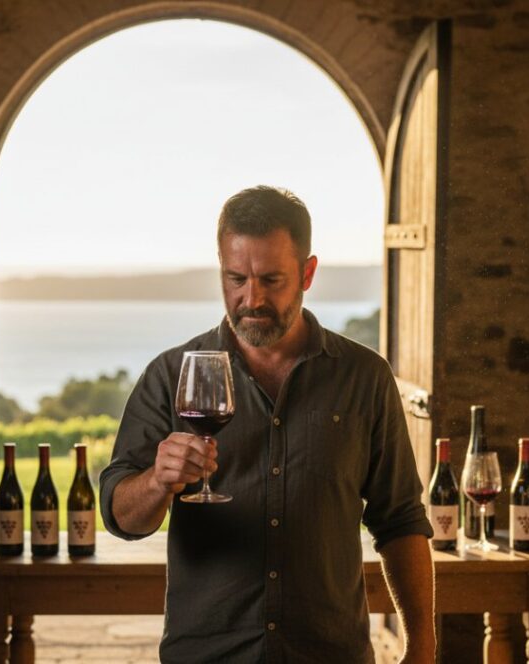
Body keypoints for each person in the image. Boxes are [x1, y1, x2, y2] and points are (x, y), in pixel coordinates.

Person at [100, 186, 435, 663]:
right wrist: (157, 481)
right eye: (235, 278)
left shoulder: (364, 377)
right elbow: (122, 518)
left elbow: (400, 519)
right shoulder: (170, 375)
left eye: (271, 280)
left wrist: (421, 644)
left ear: (308, 273)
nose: (251, 298)